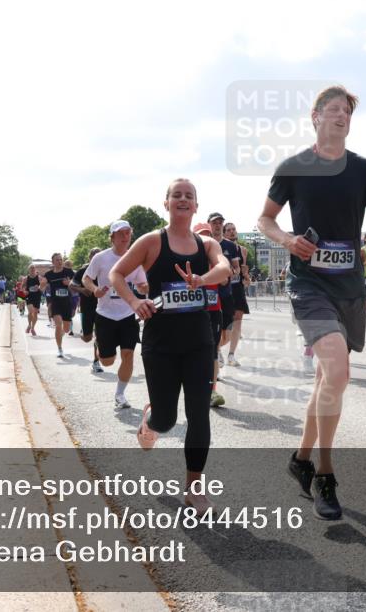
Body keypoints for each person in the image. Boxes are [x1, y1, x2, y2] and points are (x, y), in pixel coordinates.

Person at [257, 85, 366, 520]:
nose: (342, 116)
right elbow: (265, 219)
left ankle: (300, 458)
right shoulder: (293, 168)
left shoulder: (364, 169)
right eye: (334, 109)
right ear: (315, 117)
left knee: (326, 380)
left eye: (347, 112)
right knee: (337, 371)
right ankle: (324, 474)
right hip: (308, 285)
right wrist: (287, 240)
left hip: (349, 287)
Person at [110, 178, 232, 516]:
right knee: (166, 419)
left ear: (196, 205)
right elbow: (117, 274)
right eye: (176, 195)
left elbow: (224, 268)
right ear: (166, 203)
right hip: (160, 344)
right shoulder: (152, 241)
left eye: (189, 196)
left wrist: (201, 279)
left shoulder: (206, 244)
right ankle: (151, 421)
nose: (182, 199)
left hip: (198, 342)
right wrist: (135, 302)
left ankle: (194, 488)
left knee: (199, 413)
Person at [83, 221, 148, 409]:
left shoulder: (135, 258)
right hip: (105, 315)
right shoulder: (101, 258)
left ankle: (120, 394)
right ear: (112, 237)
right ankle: (100, 346)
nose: (125, 236)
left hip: (128, 315)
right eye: (121, 233)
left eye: (128, 232)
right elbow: (86, 279)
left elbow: (142, 284)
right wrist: (95, 289)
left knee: (128, 354)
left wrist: (143, 287)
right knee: (107, 361)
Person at [193, 223, 227, 404]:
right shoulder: (188, 258)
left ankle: (212, 391)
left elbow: (225, 280)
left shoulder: (216, 258)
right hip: (192, 311)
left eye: (208, 235)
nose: (205, 239)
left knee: (212, 351)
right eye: (201, 235)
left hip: (213, 310)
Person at [208, 213, 240, 385]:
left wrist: (229, 273)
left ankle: (217, 348)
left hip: (225, 293)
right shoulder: (204, 243)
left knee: (227, 334)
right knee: (212, 332)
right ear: (209, 224)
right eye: (215, 222)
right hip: (209, 294)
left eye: (220, 222)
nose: (218, 225)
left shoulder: (230, 246)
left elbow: (236, 268)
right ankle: (214, 359)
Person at [223, 222, 251, 368]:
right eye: (228, 230)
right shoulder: (219, 247)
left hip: (237, 288)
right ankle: (217, 351)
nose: (232, 232)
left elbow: (244, 273)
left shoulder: (243, 250)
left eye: (234, 229)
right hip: (223, 288)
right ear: (224, 233)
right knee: (224, 323)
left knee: (238, 320)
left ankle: (231, 355)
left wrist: (246, 276)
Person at [42, 254, 74, 358]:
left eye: (61, 260)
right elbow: (42, 284)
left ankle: (60, 335)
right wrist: (41, 285)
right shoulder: (49, 274)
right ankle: (60, 349)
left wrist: (69, 283)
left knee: (66, 329)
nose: (60, 261)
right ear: (53, 262)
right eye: (57, 260)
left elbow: (77, 283)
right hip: (56, 303)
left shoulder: (69, 272)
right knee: (58, 325)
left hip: (67, 303)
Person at [23, 264, 43, 335]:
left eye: (33, 268)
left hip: (37, 296)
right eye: (31, 269)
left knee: (35, 313)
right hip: (29, 296)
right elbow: (23, 287)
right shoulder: (26, 278)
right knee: (30, 312)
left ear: (35, 269)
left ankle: (32, 328)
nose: (32, 270)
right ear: (29, 270)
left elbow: (43, 286)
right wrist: (25, 291)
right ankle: (29, 325)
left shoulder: (39, 278)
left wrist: (39, 287)